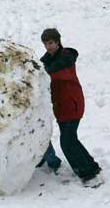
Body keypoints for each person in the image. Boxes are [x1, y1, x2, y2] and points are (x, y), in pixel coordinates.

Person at [40, 28, 101, 183]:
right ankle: (92, 166)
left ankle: (87, 174)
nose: (48, 47)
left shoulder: (66, 58)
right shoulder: (47, 60)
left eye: (51, 43)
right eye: (46, 43)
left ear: (58, 41)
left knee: (67, 143)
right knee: (71, 139)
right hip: (61, 108)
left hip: (72, 105)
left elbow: (55, 72)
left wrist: (42, 71)